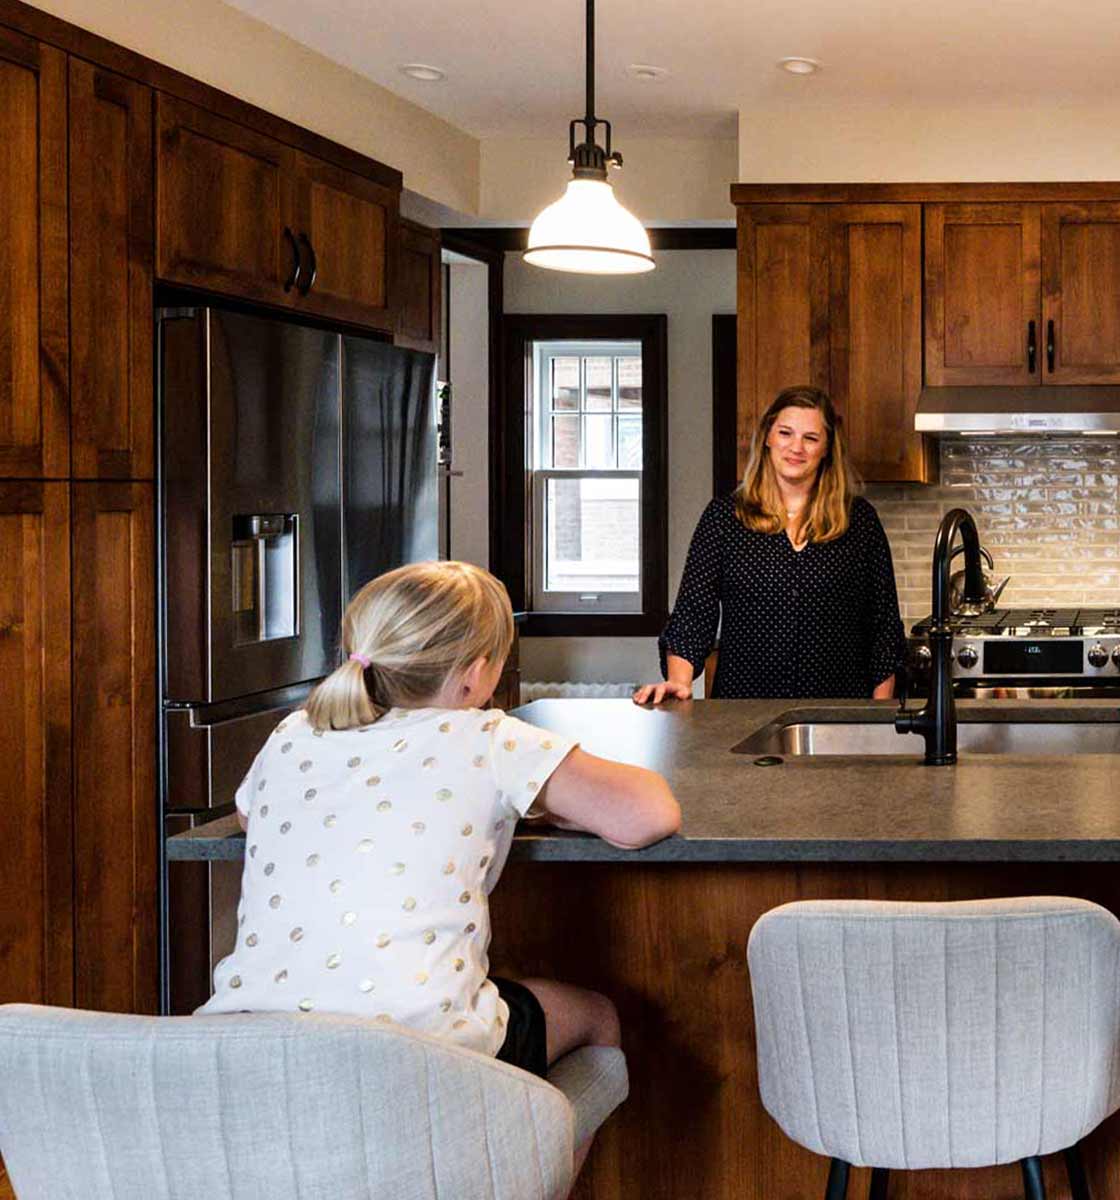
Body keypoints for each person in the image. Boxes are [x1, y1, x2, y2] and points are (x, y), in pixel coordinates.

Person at [200, 560, 679, 1164]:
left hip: (247, 1049)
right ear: (477, 673)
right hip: (423, 1057)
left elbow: (252, 816)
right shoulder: (488, 736)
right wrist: (536, 801)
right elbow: (647, 815)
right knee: (596, 1018)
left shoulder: (295, 733)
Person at [634, 386, 905, 702]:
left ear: (827, 448)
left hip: (837, 715)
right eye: (786, 433)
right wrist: (679, 683)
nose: (796, 447)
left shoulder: (859, 522)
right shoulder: (724, 518)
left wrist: (878, 716)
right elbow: (693, 615)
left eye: (811, 438)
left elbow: (884, 628)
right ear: (767, 437)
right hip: (743, 713)